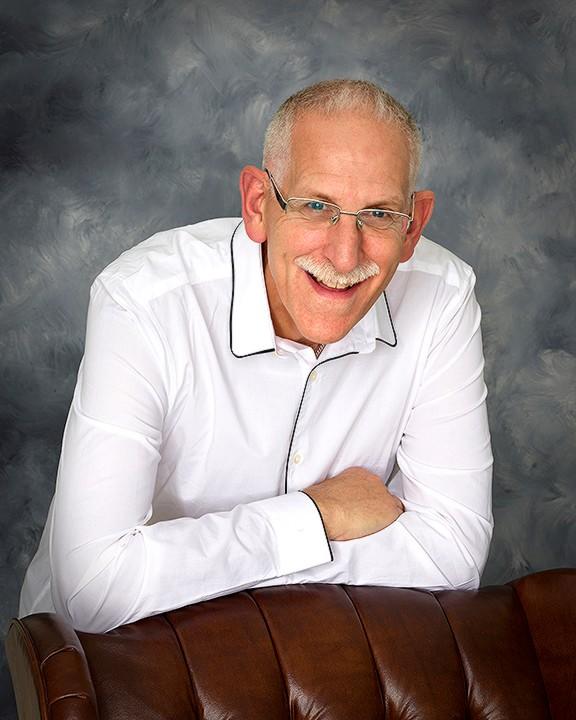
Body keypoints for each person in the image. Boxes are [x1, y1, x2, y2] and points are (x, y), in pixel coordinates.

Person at [19, 79, 493, 633]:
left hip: (309, 650)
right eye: (316, 206)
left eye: (379, 214)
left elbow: (454, 555)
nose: (345, 255)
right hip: (111, 656)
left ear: (414, 225)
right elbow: (96, 590)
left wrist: (200, 564)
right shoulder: (144, 301)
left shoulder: (442, 295)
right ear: (258, 204)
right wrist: (317, 517)